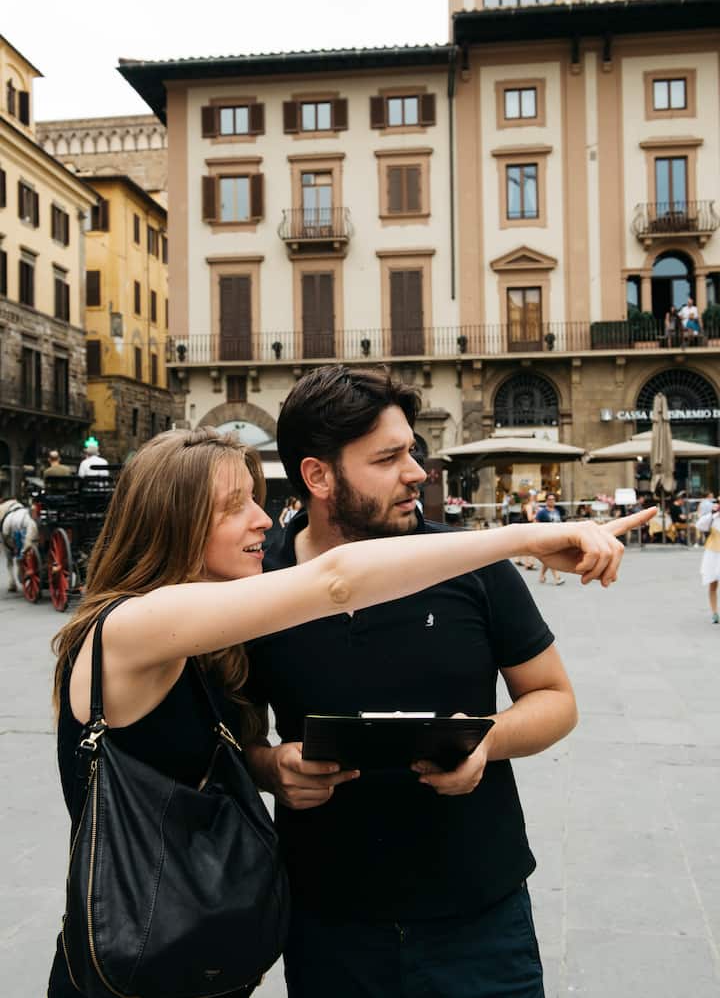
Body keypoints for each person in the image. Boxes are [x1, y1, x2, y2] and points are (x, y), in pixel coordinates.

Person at [46, 425, 650, 998]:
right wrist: (525, 538)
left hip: (171, 953)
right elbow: (337, 580)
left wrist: (268, 764)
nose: (263, 519)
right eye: (233, 506)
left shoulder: (184, 638)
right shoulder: (131, 627)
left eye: (256, 499)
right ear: (172, 523)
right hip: (132, 966)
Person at [241, 366, 652, 998]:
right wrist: (272, 767)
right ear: (318, 477)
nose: (417, 473)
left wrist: (487, 739)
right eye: (388, 459)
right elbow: (233, 737)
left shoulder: (473, 567)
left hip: (480, 918)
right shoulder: (257, 588)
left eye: (412, 452)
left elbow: (556, 700)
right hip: (329, 921)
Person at [696, 499, 720, 623]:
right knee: (713, 583)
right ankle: (715, 612)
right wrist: (712, 513)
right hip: (713, 554)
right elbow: (700, 525)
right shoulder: (713, 517)